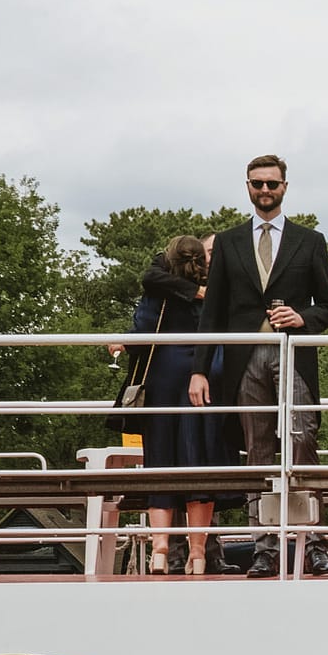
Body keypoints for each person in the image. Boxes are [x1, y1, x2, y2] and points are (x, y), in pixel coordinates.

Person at [190, 154, 328, 577]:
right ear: (248, 187)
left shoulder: (309, 241)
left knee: (302, 441)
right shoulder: (231, 241)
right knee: (256, 450)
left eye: (272, 184)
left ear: (285, 187)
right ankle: (265, 546)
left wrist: (302, 318)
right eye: (257, 183)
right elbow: (212, 312)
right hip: (244, 358)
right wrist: (199, 369)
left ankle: (314, 542)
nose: (265, 190)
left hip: (292, 353)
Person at [130, 235, 238, 574]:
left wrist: (125, 340)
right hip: (203, 376)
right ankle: (198, 553)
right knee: (199, 459)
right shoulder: (215, 294)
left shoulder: (158, 293)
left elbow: (143, 327)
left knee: (160, 459)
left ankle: (160, 549)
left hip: (164, 373)